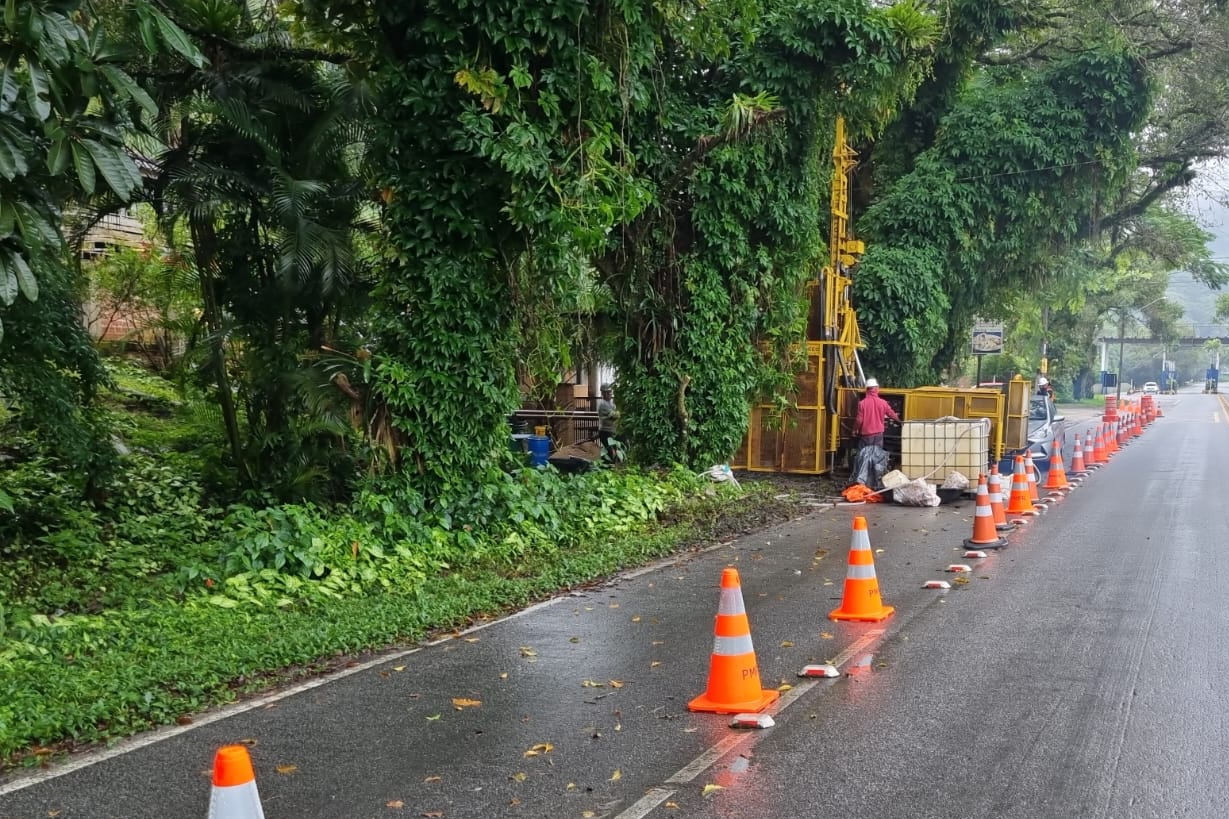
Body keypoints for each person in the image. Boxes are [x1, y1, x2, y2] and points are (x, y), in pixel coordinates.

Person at [853, 377, 900, 448]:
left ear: (867, 390)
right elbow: (891, 414)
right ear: (876, 389)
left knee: (865, 456)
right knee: (876, 455)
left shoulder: (862, 403)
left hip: (866, 435)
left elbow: (859, 420)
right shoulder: (883, 403)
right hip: (878, 435)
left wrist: (854, 429)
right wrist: (899, 421)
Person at [596, 383, 619, 453]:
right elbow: (615, 415)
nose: (609, 394)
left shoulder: (611, 403)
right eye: (607, 392)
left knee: (614, 450)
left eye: (610, 392)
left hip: (612, 431)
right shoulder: (603, 404)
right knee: (610, 452)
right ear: (603, 393)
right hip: (605, 431)